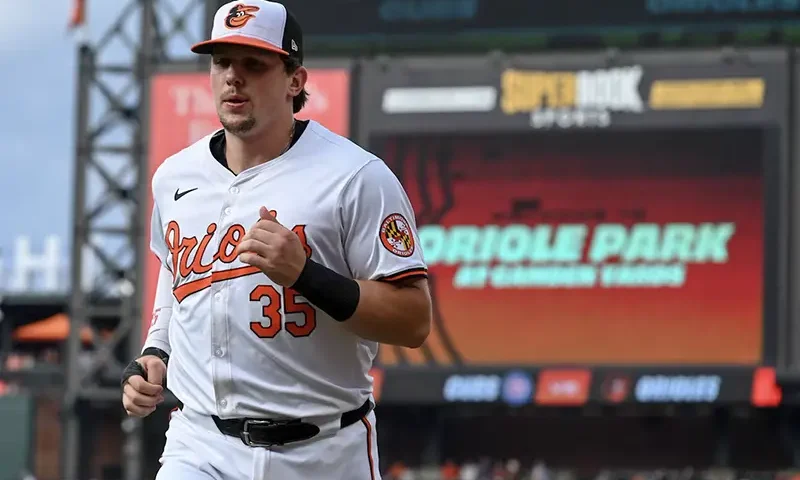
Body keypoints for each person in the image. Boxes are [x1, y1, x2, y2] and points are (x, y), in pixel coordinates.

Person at [120, 1, 432, 478]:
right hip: (200, 444)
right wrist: (156, 352)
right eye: (221, 61)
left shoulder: (356, 177)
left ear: (295, 80)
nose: (232, 77)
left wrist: (305, 275)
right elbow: (173, 272)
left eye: (253, 64)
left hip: (324, 447)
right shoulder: (175, 177)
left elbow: (413, 321)